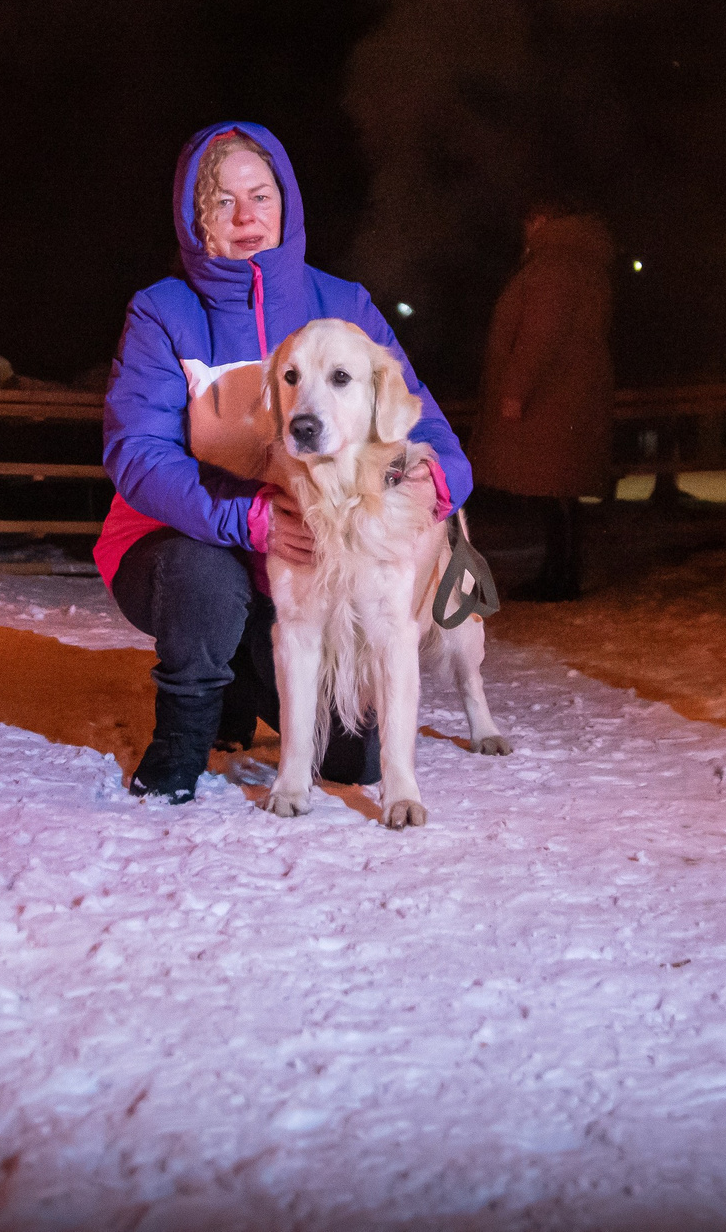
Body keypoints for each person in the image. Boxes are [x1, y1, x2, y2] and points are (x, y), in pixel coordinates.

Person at [97, 123, 473, 801]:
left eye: (260, 196)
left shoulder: (345, 304)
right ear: (195, 217)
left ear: (286, 204)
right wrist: (249, 519)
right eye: (220, 202)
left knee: (350, 762)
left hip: (298, 572)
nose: (245, 216)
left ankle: (246, 673)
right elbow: (136, 453)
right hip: (178, 547)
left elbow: (435, 431)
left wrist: (433, 482)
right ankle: (182, 736)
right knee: (204, 575)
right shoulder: (164, 312)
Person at [470, 201, 615, 600]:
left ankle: (560, 579)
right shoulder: (580, 263)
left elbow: (540, 335)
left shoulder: (554, 266)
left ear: (545, 222)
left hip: (552, 399)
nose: (527, 231)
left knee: (555, 492)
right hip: (568, 394)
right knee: (560, 492)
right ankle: (558, 574)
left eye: (530, 222)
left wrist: (515, 390)